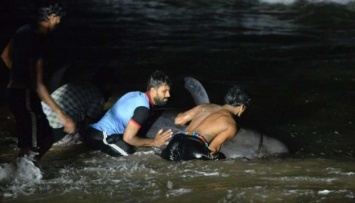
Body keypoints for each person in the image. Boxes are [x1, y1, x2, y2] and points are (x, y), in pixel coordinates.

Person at [1, 3, 75, 161]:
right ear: (53, 17)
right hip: (25, 95)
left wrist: (19, 74)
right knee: (30, 146)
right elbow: (38, 84)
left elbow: (5, 56)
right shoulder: (39, 41)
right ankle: (21, 177)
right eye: (59, 19)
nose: (59, 23)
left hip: (14, 92)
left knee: (46, 136)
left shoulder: (22, 30)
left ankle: (27, 171)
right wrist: (62, 115)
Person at [83, 70, 173, 156]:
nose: (168, 95)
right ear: (153, 90)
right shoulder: (143, 109)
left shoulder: (135, 94)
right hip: (101, 136)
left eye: (168, 91)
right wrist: (154, 142)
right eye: (164, 91)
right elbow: (128, 138)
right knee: (129, 154)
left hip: (92, 132)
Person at [161, 85, 251, 161]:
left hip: (175, 141)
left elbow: (178, 120)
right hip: (194, 149)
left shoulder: (205, 106)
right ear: (242, 107)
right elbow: (213, 148)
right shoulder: (231, 124)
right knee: (218, 157)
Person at [41, 67, 115, 145]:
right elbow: (89, 125)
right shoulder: (98, 96)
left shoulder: (76, 85)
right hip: (59, 130)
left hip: (41, 127)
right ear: (108, 86)